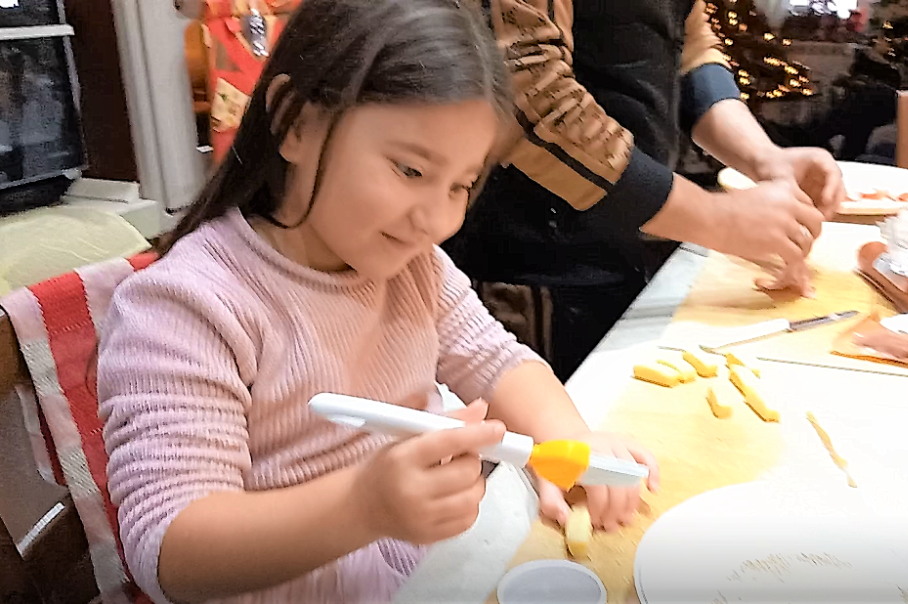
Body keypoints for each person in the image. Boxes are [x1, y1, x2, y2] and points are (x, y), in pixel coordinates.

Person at [97, 2, 657, 603]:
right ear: (296, 122)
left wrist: (569, 441)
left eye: (461, 184)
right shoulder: (188, 305)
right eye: (411, 170)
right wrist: (363, 506)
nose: (437, 218)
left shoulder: (414, 268)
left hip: (430, 574)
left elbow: (499, 361)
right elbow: (169, 551)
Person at [444, 0, 847, 380]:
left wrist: (764, 157)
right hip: (535, 274)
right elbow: (529, 90)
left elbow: (689, 45)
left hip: (633, 243)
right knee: (552, 444)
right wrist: (718, 219)